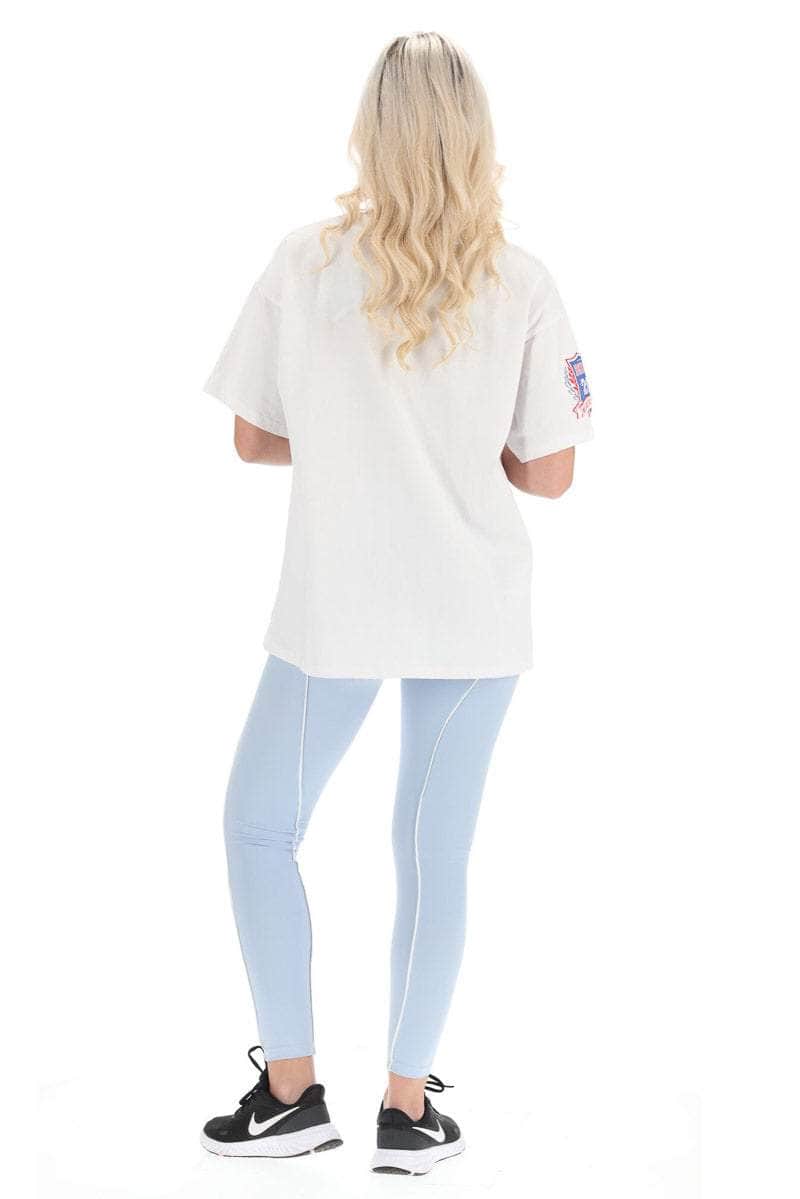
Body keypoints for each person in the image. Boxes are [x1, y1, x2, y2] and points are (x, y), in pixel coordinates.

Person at [200, 30, 593, 1176]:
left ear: (369, 130)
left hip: (336, 603)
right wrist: (454, 451)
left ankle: (289, 1094)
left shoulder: (302, 263)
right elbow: (550, 471)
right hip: (471, 608)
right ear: (475, 137)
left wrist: (355, 443)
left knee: (258, 825)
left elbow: (250, 437)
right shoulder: (521, 281)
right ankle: (406, 1111)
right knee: (430, 850)